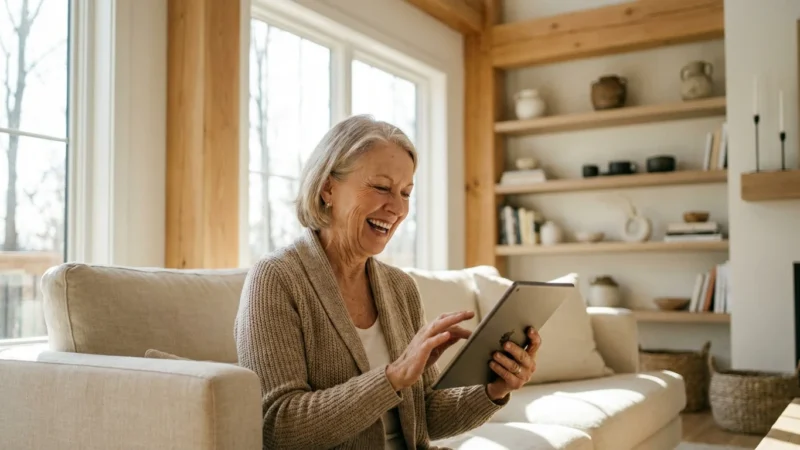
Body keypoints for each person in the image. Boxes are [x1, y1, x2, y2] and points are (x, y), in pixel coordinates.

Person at [234, 114, 541, 450]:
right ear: (328, 189)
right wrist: (393, 377)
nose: (397, 207)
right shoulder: (276, 278)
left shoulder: (399, 287)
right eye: (381, 187)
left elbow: (425, 418)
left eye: (406, 192)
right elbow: (279, 427)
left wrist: (493, 389)